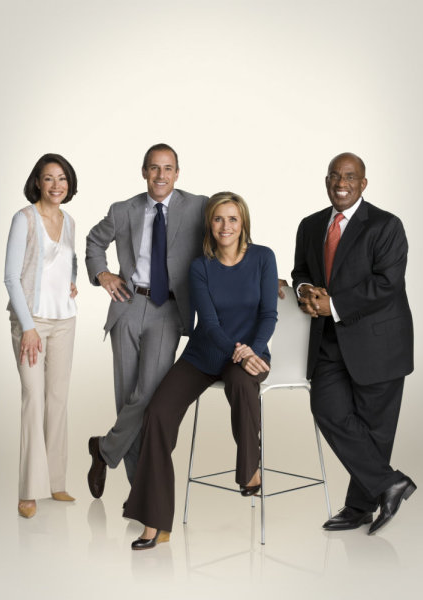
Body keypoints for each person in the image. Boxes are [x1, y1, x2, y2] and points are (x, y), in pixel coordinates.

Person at [123, 191, 278, 550]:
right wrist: (238, 352)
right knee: (158, 414)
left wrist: (250, 352)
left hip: (251, 356)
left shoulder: (263, 258)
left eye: (233, 219)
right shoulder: (200, 266)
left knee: (241, 386)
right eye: (218, 219)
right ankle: (154, 520)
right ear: (210, 224)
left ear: (244, 224)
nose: (226, 226)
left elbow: (268, 314)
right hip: (205, 355)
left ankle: (250, 468)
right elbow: (207, 323)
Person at [291, 152, 415, 535]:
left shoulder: (386, 225)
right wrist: (305, 290)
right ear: (326, 180)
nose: (340, 182)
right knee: (327, 408)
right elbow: (301, 272)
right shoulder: (310, 225)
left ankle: (360, 506)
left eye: (349, 176)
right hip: (328, 344)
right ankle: (388, 484)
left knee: (375, 431)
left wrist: (335, 304)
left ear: (363, 183)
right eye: (333, 175)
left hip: (380, 345)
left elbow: (387, 283)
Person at [85, 144, 208, 495]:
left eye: (168, 168)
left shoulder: (198, 205)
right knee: (127, 398)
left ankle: (103, 448)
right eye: (154, 168)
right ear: (144, 172)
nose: (160, 176)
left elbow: (230, 227)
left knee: (147, 394)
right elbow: (95, 242)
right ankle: (139, 491)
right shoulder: (124, 209)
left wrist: (260, 271)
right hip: (128, 304)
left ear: (177, 173)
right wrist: (103, 274)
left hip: (168, 310)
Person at [4, 153, 78, 518]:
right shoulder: (24, 219)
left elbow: (69, 261)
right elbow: (11, 278)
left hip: (65, 320)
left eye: (61, 178)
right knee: (34, 399)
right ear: (38, 182)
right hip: (31, 322)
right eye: (48, 179)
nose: (56, 186)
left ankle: (56, 482)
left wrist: (73, 282)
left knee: (58, 399)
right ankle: (28, 490)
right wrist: (28, 328)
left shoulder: (69, 221)